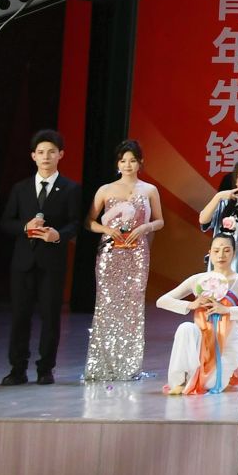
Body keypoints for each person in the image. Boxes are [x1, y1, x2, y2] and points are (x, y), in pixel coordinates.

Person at [2, 129, 83, 386]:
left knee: (50, 316)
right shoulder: (20, 188)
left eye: (51, 152)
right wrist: (24, 227)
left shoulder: (70, 188)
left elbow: (76, 223)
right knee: (20, 316)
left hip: (52, 263)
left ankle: (46, 369)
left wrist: (58, 235)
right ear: (33, 156)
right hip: (23, 263)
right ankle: (17, 369)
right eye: (40, 152)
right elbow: (6, 222)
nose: (46, 157)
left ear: (61, 155)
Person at [81, 138, 164, 382]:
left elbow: (160, 220)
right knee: (106, 305)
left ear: (140, 163)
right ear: (117, 163)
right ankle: (102, 364)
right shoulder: (105, 190)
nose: (127, 165)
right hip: (110, 253)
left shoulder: (149, 190)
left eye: (132, 160)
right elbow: (89, 221)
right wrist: (106, 230)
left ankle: (129, 365)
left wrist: (146, 227)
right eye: (123, 160)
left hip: (137, 253)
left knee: (132, 307)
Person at [158, 235, 238, 395]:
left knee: (209, 384)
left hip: (228, 340)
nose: (221, 255)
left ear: (234, 253)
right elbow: (162, 301)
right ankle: (179, 381)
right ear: (210, 253)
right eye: (216, 251)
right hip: (202, 336)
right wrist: (191, 305)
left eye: (226, 250)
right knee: (185, 328)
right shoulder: (198, 280)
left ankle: (198, 378)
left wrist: (227, 310)